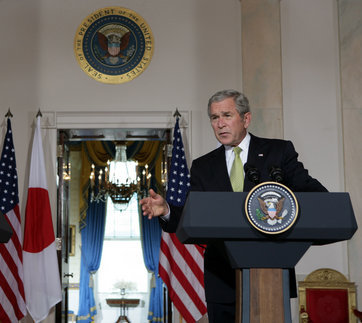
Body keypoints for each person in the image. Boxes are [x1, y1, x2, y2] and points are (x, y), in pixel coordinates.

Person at [140, 89, 327, 322]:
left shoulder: (278, 152)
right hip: (222, 277)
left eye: (227, 115)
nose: (220, 124)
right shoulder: (203, 166)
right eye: (214, 118)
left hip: (271, 274)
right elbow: (192, 217)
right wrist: (166, 210)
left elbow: (313, 193)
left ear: (245, 119)